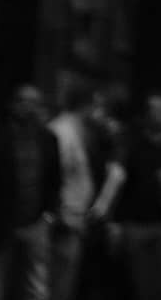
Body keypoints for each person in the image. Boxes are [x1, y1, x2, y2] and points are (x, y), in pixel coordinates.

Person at [92, 93, 161, 300]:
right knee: (140, 284)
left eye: (160, 109)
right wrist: (106, 211)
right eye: (151, 109)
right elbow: (116, 178)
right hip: (135, 223)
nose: (155, 113)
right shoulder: (134, 141)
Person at [0, 84, 62, 300]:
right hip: (2, 220)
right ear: (13, 105)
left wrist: (49, 215)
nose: (28, 107)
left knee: (36, 286)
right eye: (23, 101)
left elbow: (55, 179)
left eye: (34, 102)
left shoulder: (48, 139)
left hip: (37, 221)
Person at [48, 79, 98, 300]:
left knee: (64, 282)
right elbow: (53, 177)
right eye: (96, 106)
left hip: (73, 218)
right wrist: (60, 215)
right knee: (58, 284)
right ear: (86, 105)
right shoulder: (62, 131)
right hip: (65, 220)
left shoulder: (74, 131)